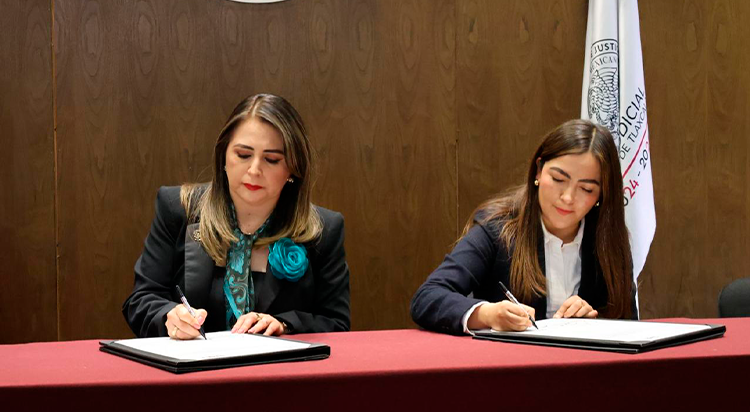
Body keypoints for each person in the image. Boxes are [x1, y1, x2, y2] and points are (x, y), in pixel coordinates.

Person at [123, 94, 350, 339]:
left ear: (293, 169)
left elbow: (336, 323)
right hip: (192, 363)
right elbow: (140, 301)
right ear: (223, 155)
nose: (254, 170)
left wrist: (285, 325)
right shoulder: (178, 209)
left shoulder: (324, 229)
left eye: (272, 159)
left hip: (276, 363)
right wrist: (169, 316)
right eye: (243, 155)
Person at [411, 119, 637, 335]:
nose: (568, 198)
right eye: (558, 179)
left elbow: (629, 325)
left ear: (601, 194)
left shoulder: (608, 241)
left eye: (586, 189)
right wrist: (487, 314)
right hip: (509, 360)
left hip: (584, 361)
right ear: (539, 170)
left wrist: (594, 323)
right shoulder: (498, 228)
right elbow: (428, 296)